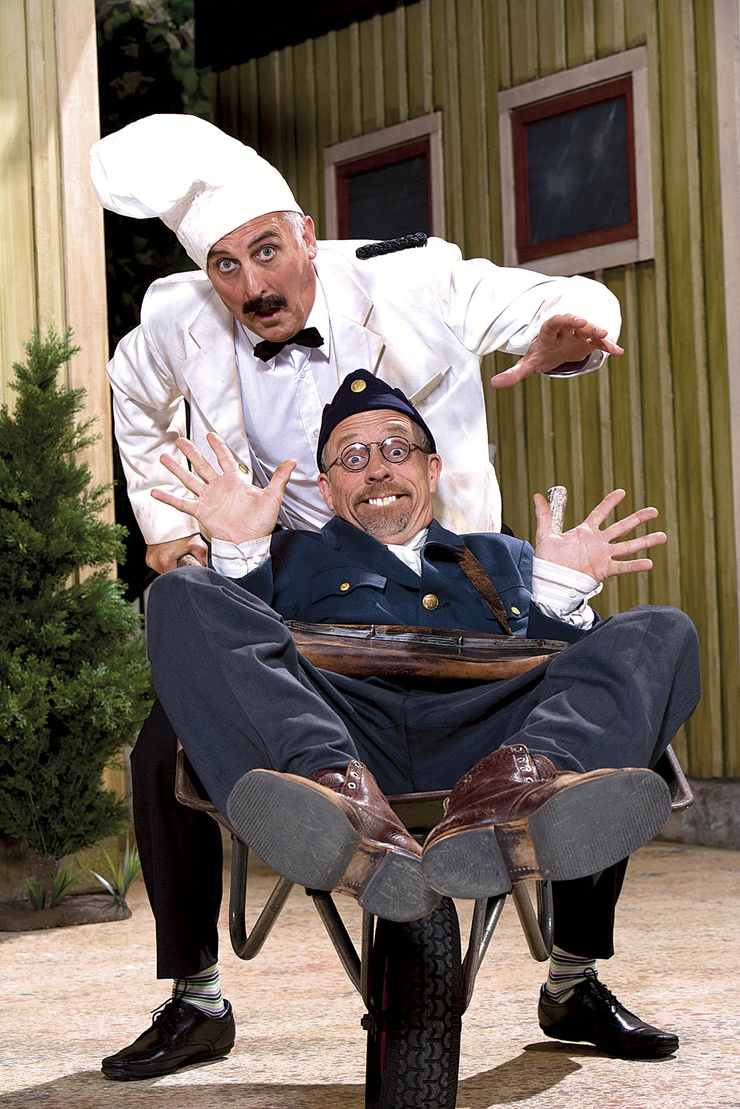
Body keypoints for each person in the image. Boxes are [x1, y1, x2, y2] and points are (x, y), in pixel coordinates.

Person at [89, 111, 626, 1070]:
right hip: (301, 595)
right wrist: (170, 530)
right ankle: (196, 995)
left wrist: (573, 336)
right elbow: (133, 390)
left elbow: (561, 296)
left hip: (453, 592)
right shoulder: (179, 318)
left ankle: (574, 976)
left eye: (267, 252)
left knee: (605, 688)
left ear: (307, 233)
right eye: (224, 266)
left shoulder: (410, 280)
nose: (252, 287)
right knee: (163, 745)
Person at [101, 371, 700, 1080]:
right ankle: (208, 986)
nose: (377, 469)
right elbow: (232, 665)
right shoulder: (283, 555)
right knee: (179, 597)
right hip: (336, 732)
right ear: (327, 490)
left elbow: (580, 686)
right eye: (352, 458)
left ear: (432, 469)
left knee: (661, 631)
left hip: (490, 749)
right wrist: (239, 560)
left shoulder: (506, 558)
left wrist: (561, 606)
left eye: (396, 450)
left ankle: (569, 972)